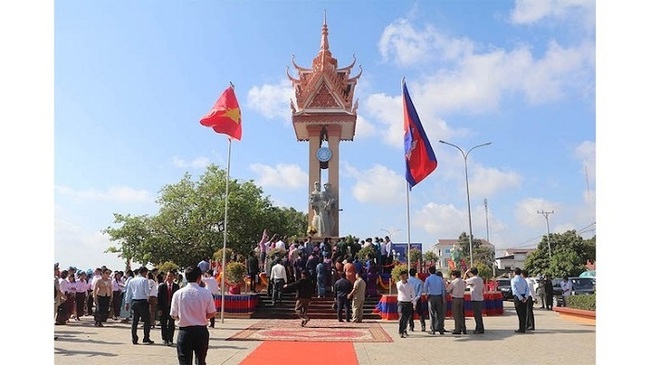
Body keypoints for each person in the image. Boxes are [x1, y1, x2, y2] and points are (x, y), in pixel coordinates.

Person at [170, 266, 217, 365]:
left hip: (185, 331)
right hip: (201, 331)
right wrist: (203, 317)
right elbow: (212, 312)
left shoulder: (178, 293)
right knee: (201, 360)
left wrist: (183, 317)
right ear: (199, 278)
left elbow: (173, 315)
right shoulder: (206, 293)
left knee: (184, 361)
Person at [125, 266, 153, 344]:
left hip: (134, 301)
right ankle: (146, 337)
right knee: (147, 321)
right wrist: (149, 298)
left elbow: (129, 292)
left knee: (134, 321)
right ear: (144, 272)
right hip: (143, 301)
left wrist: (127, 302)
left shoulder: (132, 280)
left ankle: (134, 338)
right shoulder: (144, 280)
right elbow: (147, 292)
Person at [158, 271, 179, 346]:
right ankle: (164, 339)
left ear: (174, 277)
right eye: (168, 276)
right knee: (163, 323)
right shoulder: (162, 286)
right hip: (163, 308)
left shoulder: (176, 286)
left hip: (172, 308)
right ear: (166, 277)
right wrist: (159, 309)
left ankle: (170, 339)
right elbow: (159, 298)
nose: (169, 278)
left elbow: (178, 299)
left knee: (171, 324)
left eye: (171, 276)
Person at [423, 266, 445, 335]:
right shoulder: (440, 279)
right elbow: (443, 288)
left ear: (429, 271)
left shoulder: (428, 279)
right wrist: (443, 297)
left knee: (432, 313)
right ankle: (441, 329)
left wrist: (426, 294)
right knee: (440, 314)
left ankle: (433, 330)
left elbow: (425, 287)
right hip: (439, 296)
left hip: (431, 297)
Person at [396, 269, 417, 338]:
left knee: (407, 318)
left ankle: (404, 330)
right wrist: (402, 282)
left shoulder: (410, 284)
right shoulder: (399, 284)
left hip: (408, 302)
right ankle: (400, 331)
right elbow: (400, 288)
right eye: (403, 276)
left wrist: (414, 303)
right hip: (401, 302)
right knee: (401, 317)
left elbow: (413, 294)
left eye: (405, 276)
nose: (404, 277)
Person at [464, 267, 485, 334]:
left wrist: (465, 273)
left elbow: (463, 281)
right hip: (480, 298)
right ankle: (480, 327)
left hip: (475, 298)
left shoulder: (473, 279)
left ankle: (479, 328)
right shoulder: (479, 279)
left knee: (477, 315)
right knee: (479, 315)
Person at [446, 269, 466, 335]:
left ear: (454, 275)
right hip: (462, 298)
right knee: (461, 315)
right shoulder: (463, 281)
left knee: (456, 315)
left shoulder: (454, 282)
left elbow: (448, 290)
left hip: (455, 299)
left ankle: (458, 329)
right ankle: (463, 328)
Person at [511, 267, 530, 333]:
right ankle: (523, 328)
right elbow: (527, 289)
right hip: (524, 296)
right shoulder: (524, 280)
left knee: (520, 313)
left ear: (515, 273)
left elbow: (515, 290)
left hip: (518, 297)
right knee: (524, 313)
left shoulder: (513, 280)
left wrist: (520, 298)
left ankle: (521, 328)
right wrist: (525, 297)